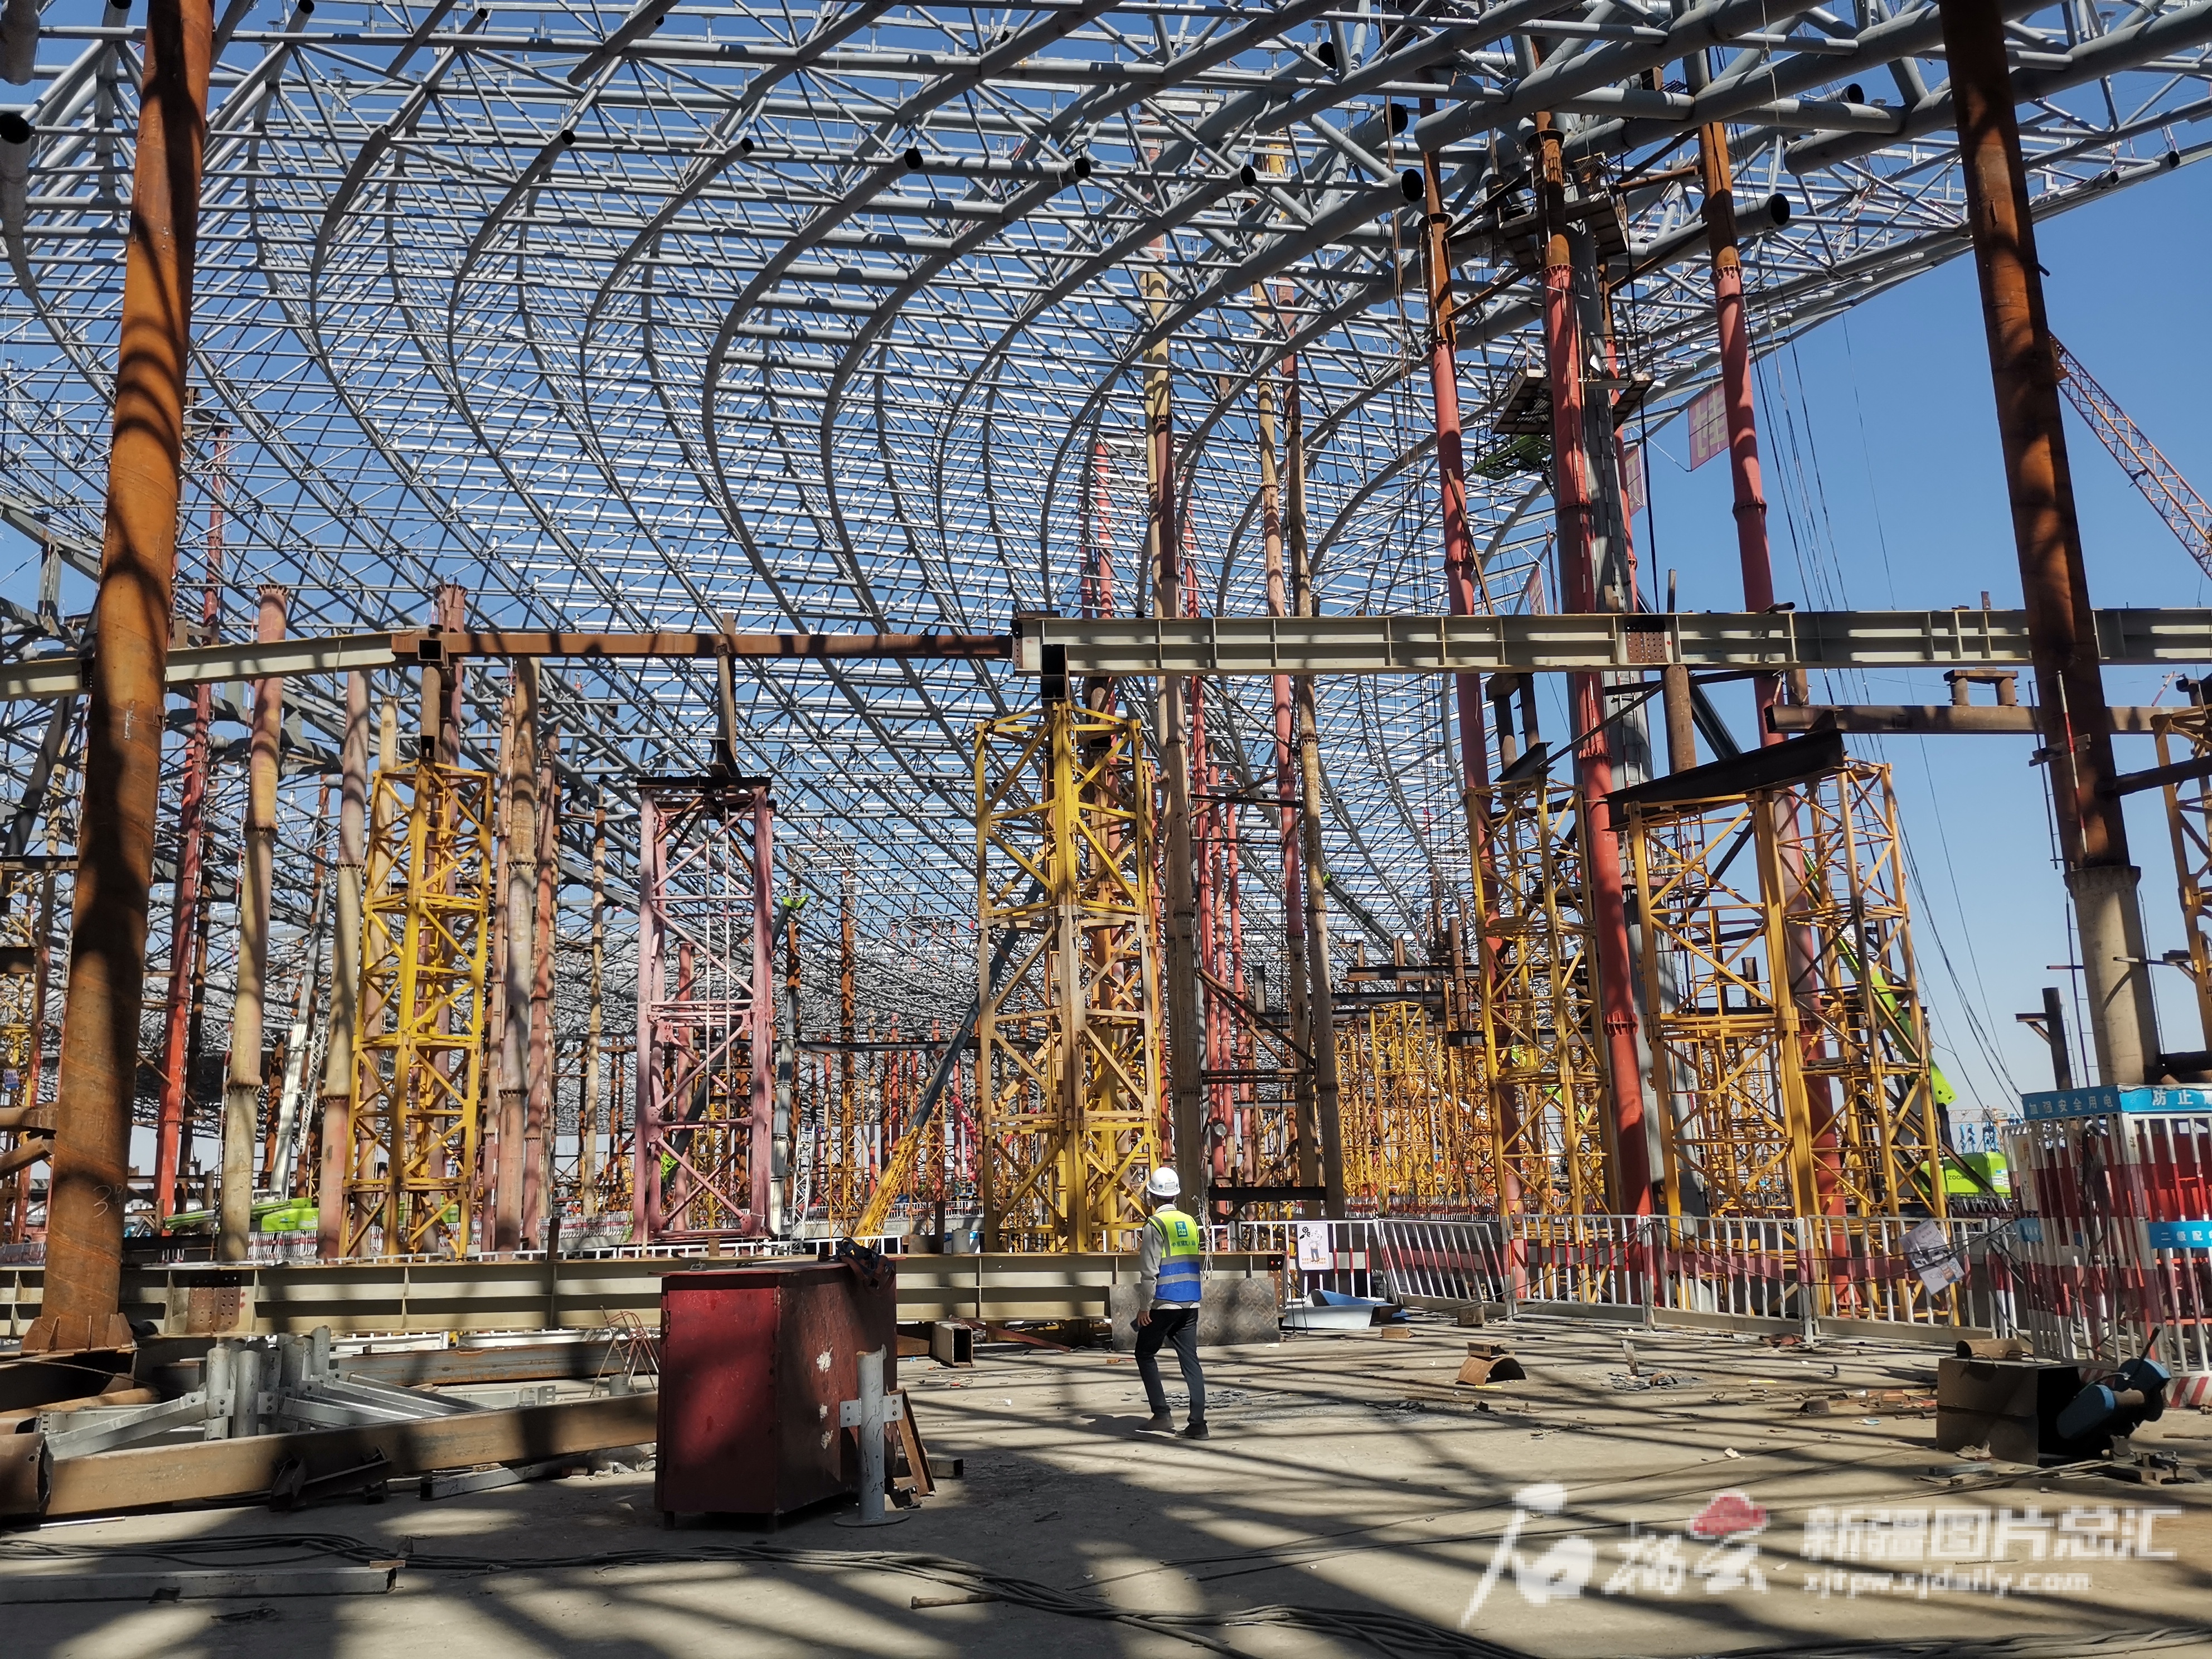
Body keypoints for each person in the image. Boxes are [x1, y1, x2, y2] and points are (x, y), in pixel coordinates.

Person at [1133, 1166, 1207, 1439]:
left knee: (1144, 1353)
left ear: (1152, 1196)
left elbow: (1149, 1271)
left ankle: (1162, 1415)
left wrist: (1144, 1306)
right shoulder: (1189, 1221)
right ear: (1175, 1195)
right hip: (1191, 1302)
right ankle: (1198, 1425)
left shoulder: (1155, 1225)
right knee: (1191, 1360)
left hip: (1164, 1302)